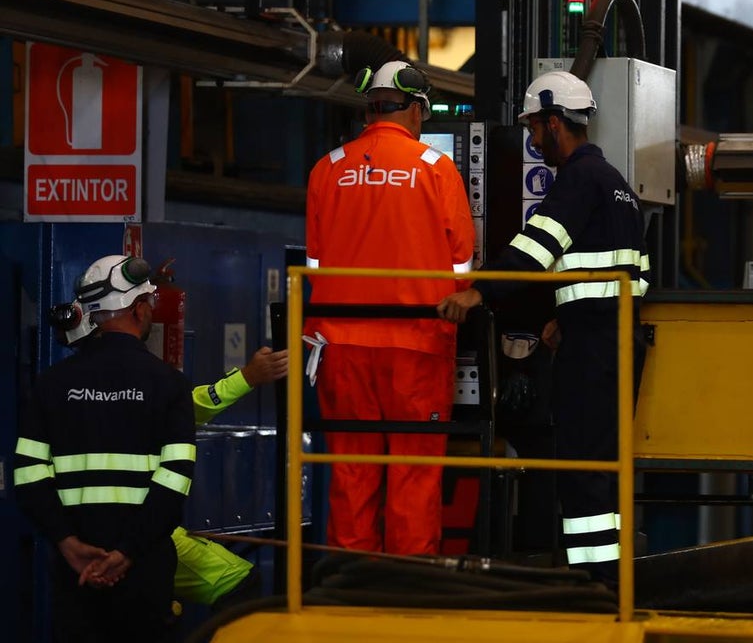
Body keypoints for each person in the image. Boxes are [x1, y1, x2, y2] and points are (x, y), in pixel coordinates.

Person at [437, 70, 650, 588]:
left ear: (556, 122)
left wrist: (477, 291)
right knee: (603, 468)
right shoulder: (617, 184)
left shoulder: (577, 179)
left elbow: (535, 249)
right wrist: (568, 315)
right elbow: (631, 275)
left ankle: (591, 588)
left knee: (580, 474)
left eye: (534, 128)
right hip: (617, 341)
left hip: (592, 352)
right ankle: (611, 583)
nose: (532, 140)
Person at [305, 59, 476, 554]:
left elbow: (314, 260)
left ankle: (349, 588)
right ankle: (408, 592)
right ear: (417, 110)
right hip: (416, 346)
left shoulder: (327, 168)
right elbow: (463, 259)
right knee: (414, 472)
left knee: (352, 472)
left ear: (370, 109)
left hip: (340, 347)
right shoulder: (435, 169)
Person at [50, 300, 287, 609]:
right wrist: (246, 378)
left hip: (76, 543)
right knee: (240, 583)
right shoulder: (155, 382)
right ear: (134, 313)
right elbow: (191, 410)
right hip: (140, 538)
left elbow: (30, 476)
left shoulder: (54, 386)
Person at [14, 255, 196, 642]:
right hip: (145, 569)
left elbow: (28, 475)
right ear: (140, 309)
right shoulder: (169, 384)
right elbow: (175, 481)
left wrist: (68, 544)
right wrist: (126, 553)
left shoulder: (51, 384)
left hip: (74, 571)